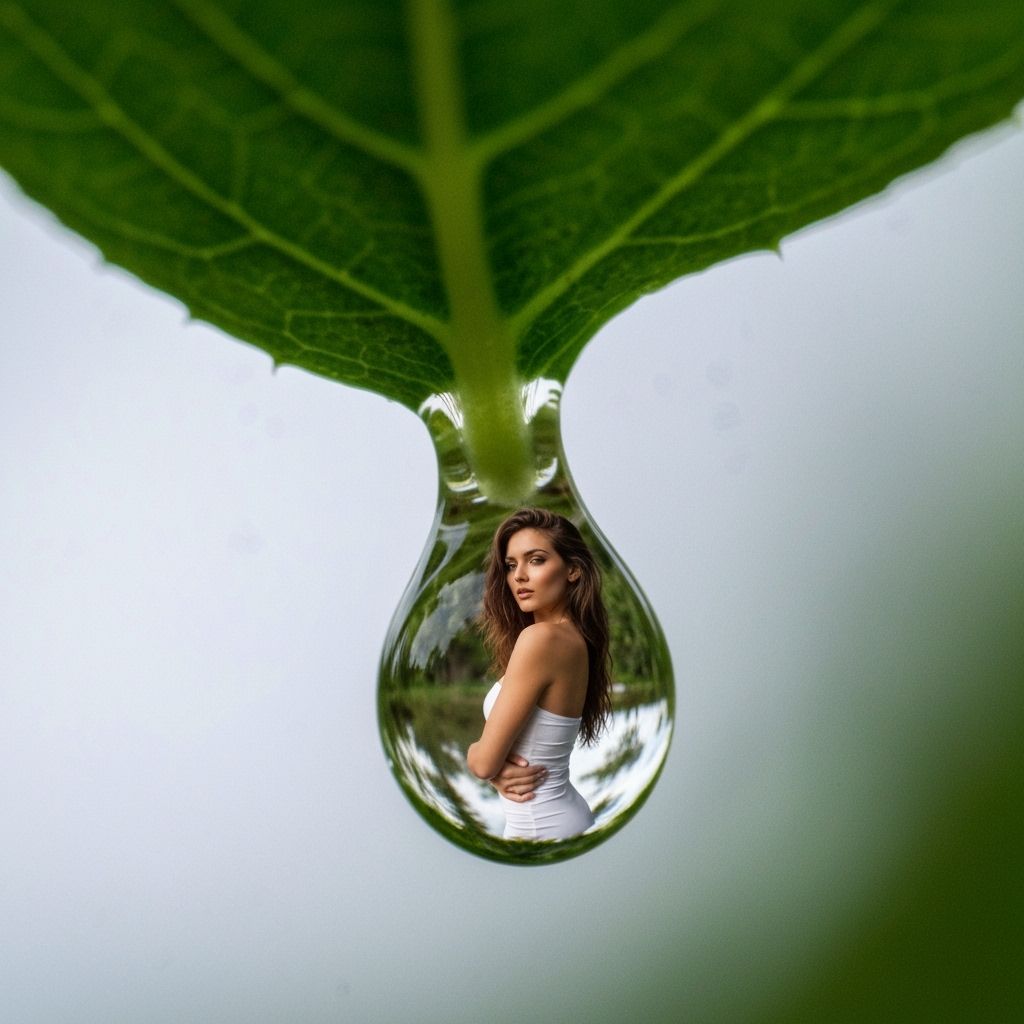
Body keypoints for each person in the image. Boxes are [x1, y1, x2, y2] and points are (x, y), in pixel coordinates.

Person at [466, 507, 612, 840]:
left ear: (573, 570)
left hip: (540, 828)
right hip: (560, 815)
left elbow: (485, 763)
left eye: (536, 560)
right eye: (511, 564)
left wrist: (476, 758)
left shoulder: (542, 639)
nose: (519, 576)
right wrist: (494, 770)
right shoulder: (572, 638)